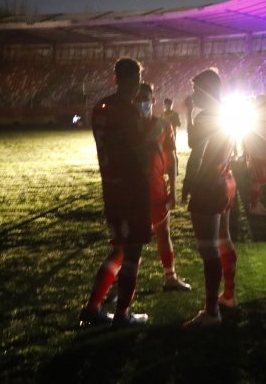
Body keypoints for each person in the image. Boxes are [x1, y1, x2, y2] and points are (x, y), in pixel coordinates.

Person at [79, 58, 150, 328]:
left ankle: (93, 307)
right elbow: (139, 152)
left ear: (115, 79)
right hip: (130, 189)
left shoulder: (100, 108)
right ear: (136, 80)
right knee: (132, 252)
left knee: (119, 249)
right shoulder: (128, 112)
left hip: (110, 186)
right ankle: (122, 314)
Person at [181, 68, 238, 329]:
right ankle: (228, 294)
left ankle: (212, 311)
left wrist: (188, 183)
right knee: (223, 239)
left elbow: (196, 149)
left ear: (205, 90)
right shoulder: (227, 112)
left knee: (208, 247)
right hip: (225, 179)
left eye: (196, 89)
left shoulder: (206, 116)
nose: (193, 94)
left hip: (208, 185)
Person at [135, 83, 191, 292]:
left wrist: (173, 190)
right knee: (130, 241)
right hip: (132, 193)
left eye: (145, 99)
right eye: (138, 99)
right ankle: (117, 287)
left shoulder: (162, 126)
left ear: (153, 101)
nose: (142, 103)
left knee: (163, 232)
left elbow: (173, 159)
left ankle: (170, 277)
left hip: (157, 189)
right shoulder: (126, 127)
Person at [245, 94, 266, 215]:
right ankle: (254, 206)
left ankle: (257, 203)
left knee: (259, 180)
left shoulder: (259, 116)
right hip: (258, 153)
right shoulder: (256, 117)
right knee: (257, 181)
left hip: (261, 152)